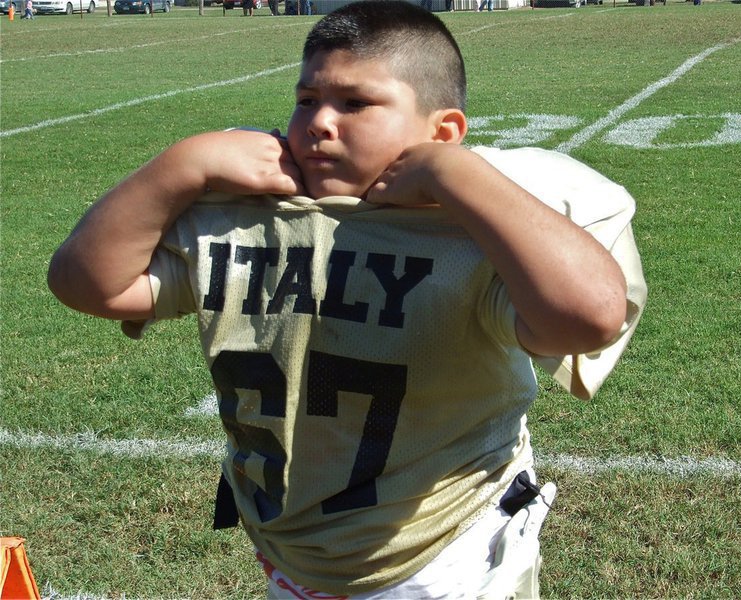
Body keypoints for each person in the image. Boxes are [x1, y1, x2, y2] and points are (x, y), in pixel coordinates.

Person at [48, 1, 646, 598]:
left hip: (447, 558)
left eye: (355, 103)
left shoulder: (467, 235)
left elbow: (589, 315)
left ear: (443, 132)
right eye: (307, 100)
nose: (319, 123)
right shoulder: (250, 220)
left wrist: (454, 176)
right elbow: (87, 284)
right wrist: (181, 167)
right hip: (289, 551)